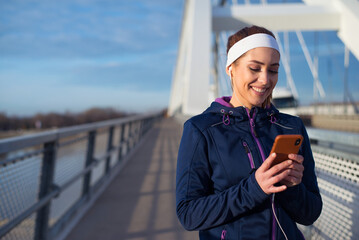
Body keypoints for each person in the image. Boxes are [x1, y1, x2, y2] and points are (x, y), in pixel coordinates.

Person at [175, 25, 322, 240]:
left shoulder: (292, 127)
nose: (265, 80)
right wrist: (255, 188)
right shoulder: (202, 130)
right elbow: (188, 214)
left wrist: (291, 187)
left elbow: (310, 213)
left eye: (273, 70)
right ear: (230, 68)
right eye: (254, 68)